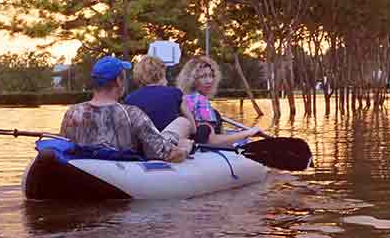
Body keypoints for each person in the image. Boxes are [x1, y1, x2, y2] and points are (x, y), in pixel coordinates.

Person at [59, 56, 191, 162]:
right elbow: (168, 154)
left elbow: (63, 148)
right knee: (182, 124)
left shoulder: (73, 113)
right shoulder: (133, 114)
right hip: (123, 176)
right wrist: (184, 148)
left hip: (87, 171)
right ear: (118, 81)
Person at [176, 55, 264, 147]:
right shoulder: (200, 100)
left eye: (211, 75)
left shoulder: (184, 98)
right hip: (204, 152)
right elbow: (211, 140)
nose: (209, 81)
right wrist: (249, 132)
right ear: (192, 80)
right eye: (203, 77)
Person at [124, 55, 198, 142]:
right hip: (168, 146)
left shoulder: (130, 99)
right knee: (184, 122)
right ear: (162, 73)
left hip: (143, 146)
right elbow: (193, 128)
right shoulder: (174, 93)